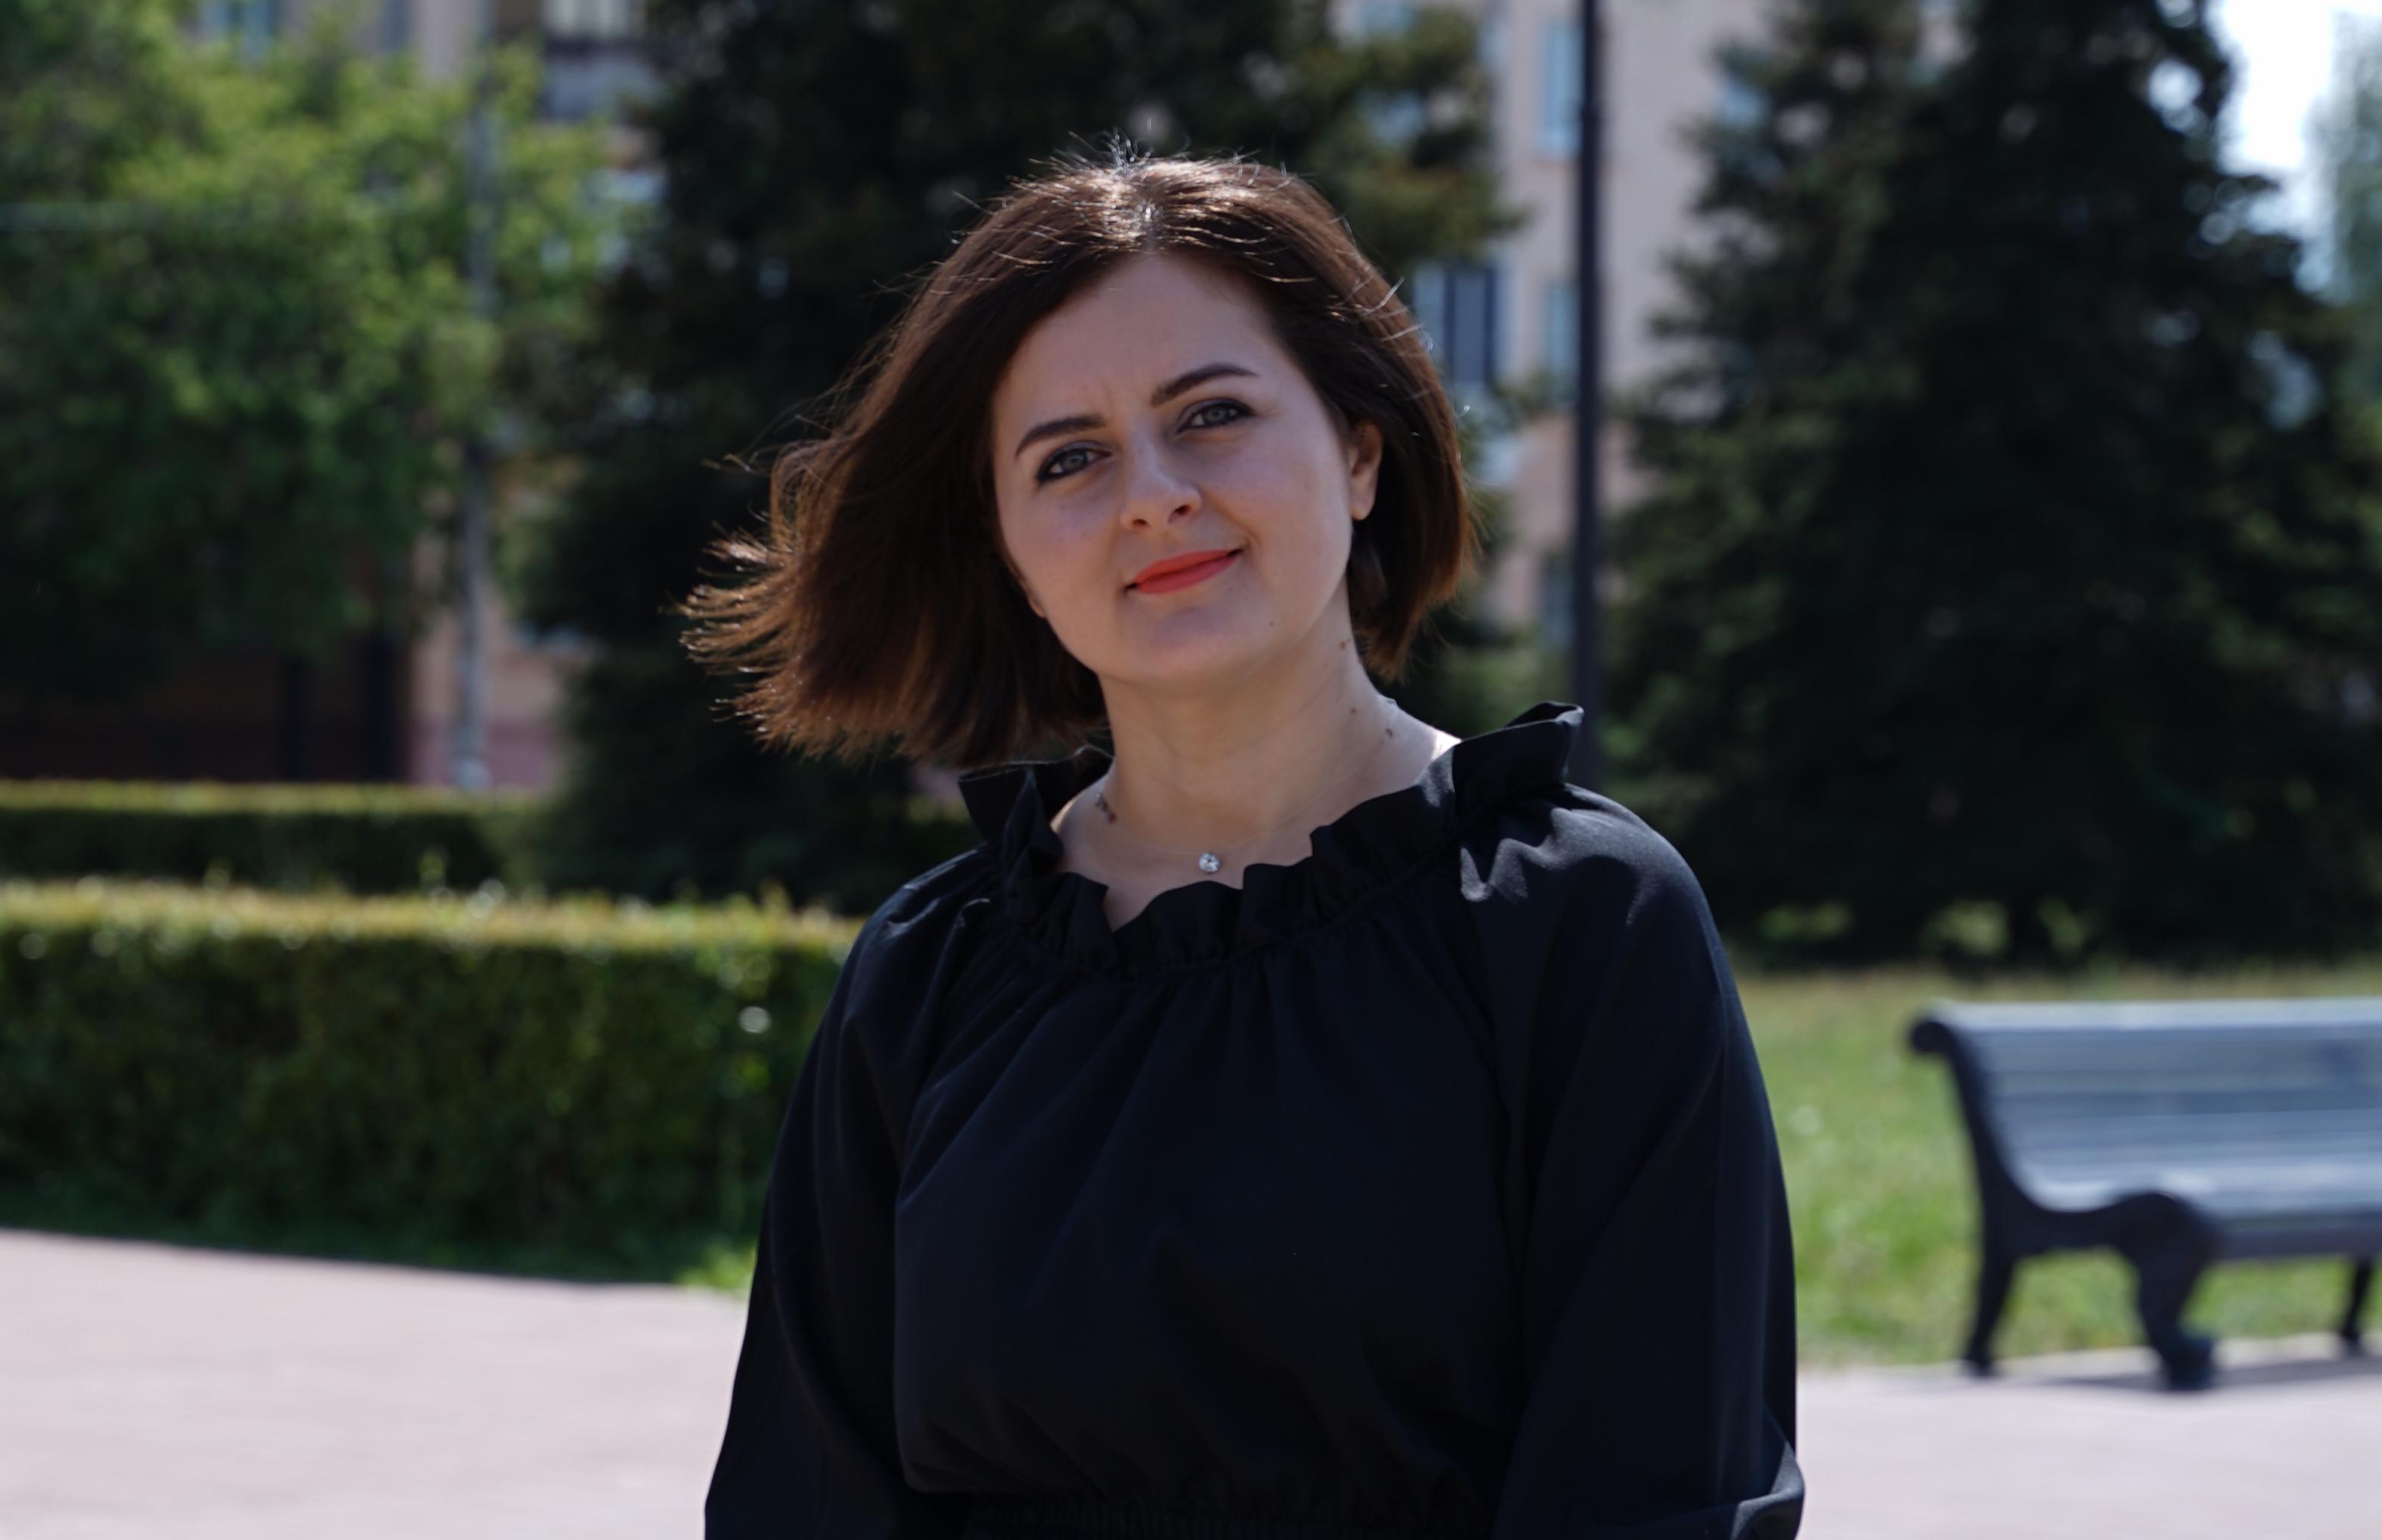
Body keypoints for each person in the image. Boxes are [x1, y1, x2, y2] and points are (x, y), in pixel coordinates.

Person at [694, 153, 1801, 1539]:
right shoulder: (926, 975)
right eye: (1070, 458)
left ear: (1359, 453)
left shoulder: (1581, 922)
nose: (1152, 494)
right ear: (1013, 553)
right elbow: (807, 1502)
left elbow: (1659, 1493)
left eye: (1211, 414)